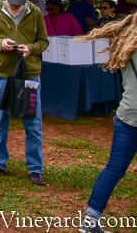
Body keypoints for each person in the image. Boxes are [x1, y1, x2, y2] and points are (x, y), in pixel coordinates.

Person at [0, 0, 49, 185]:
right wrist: (0, 44)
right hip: (1, 72)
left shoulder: (34, 12)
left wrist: (31, 48)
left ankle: (36, 168)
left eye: (21, 0)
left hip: (29, 73)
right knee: (0, 119)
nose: (17, 4)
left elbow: (43, 41)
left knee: (33, 121)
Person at [76, 12, 137, 233]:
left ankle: (90, 221)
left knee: (113, 169)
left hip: (127, 115)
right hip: (131, 116)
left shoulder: (127, 44)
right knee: (113, 169)